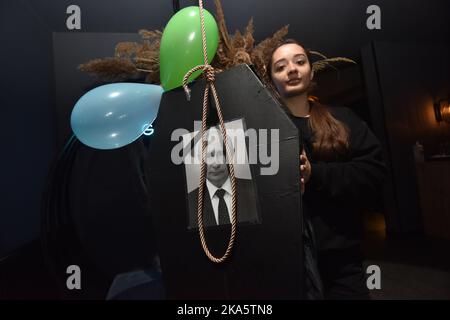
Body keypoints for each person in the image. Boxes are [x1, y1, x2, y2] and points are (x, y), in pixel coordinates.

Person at [267, 39, 386, 299]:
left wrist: (315, 174)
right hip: (285, 262)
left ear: (311, 71)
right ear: (271, 80)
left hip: (341, 260)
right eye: (280, 66)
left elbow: (373, 173)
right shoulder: (264, 132)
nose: (292, 69)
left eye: (300, 61)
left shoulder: (342, 119)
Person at [187, 127, 259, 229]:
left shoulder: (251, 189)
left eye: (221, 154)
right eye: (209, 156)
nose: (216, 164)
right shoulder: (192, 200)